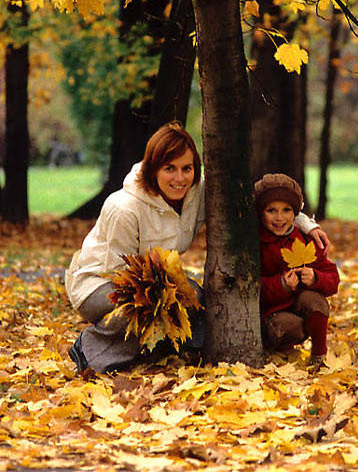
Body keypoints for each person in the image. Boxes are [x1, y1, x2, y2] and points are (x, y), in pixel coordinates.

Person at [65, 122, 329, 373]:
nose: (179, 178)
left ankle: (161, 347)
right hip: (99, 283)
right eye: (170, 168)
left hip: (157, 280)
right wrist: (164, 297)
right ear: (153, 168)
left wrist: (306, 224)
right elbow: (116, 270)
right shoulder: (124, 208)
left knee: (196, 298)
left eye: (187, 168)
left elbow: (254, 205)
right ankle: (90, 349)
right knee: (153, 309)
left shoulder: (197, 193)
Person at [254, 173, 340, 366]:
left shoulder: (305, 239)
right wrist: (281, 285)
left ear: (296, 214)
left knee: (315, 301)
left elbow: (333, 279)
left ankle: (319, 355)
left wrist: (316, 278)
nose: (279, 218)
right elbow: (253, 286)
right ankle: (278, 354)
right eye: (271, 211)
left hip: (302, 305)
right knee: (287, 327)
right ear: (260, 213)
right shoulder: (257, 244)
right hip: (273, 313)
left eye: (286, 210)